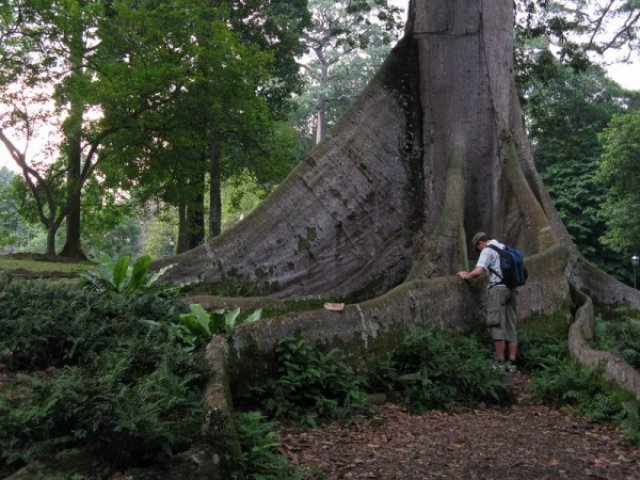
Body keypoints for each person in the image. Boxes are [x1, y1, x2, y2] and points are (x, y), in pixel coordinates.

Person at [456, 232, 518, 373]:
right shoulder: (504, 247)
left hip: (497, 290)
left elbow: (478, 271)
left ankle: (500, 363)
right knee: (511, 325)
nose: (479, 251)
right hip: (512, 290)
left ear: (480, 243)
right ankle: (512, 364)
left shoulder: (487, 250)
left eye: (477, 248)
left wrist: (467, 275)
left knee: (496, 324)